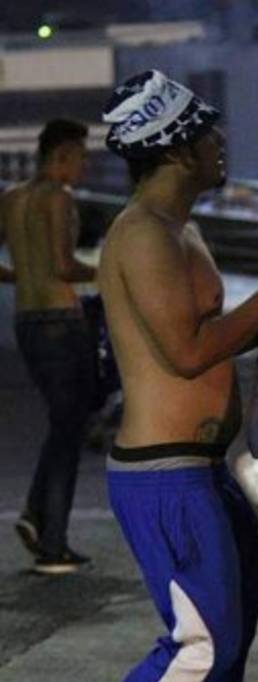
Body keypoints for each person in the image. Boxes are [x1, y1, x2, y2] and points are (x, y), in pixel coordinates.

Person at [35, 70, 258, 682]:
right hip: (164, 476)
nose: (221, 143)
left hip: (204, 469)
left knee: (228, 641)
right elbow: (187, 351)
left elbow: (206, 336)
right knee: (202, 641)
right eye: (208, 133)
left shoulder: (181, 228)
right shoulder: (142, 236)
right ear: (176, 149)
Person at [0, 118, 99, 574]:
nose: (84, 166)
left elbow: (30, 265)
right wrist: (104, 270)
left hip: (26, 320)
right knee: (69, 429)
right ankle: (52, 541)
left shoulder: (12, 199)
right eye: (81, 157)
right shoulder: (58, 198)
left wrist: (23, 274)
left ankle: (37, 518)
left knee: (64, 425)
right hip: (62, 320)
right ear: (61, 155)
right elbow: (63, 265)